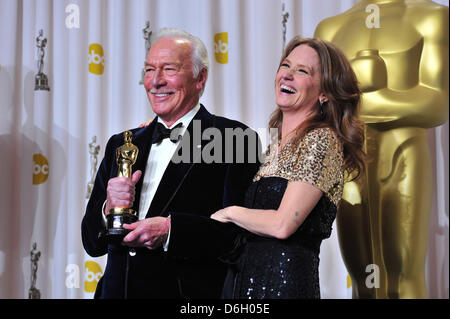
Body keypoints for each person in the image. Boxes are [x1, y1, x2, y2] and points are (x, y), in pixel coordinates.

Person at [82, 28, 260, 299]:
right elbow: (91, 243)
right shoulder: (121, 144)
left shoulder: (234, 139)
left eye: (169, 69)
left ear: (200, 78)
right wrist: (109, 208)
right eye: (150, 70)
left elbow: (237, 239)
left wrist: (171, 231)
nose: (156, 81)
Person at [207, 37, 365, 298]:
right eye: (286, 66)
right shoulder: (271, 148)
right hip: (243, 288)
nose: (288, 75)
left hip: (284, 288)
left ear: (324, 93)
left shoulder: (321, 141)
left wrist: (230, 213)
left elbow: (283, 224)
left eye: (303, 71)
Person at [314, 0, 448, 298]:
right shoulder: (331, 28)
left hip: (402, 155)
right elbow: (320, 105)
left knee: (402, 273)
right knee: (362, 275)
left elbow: (436, 103)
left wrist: (357, 101)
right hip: (348, 163)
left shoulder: (430, 16)